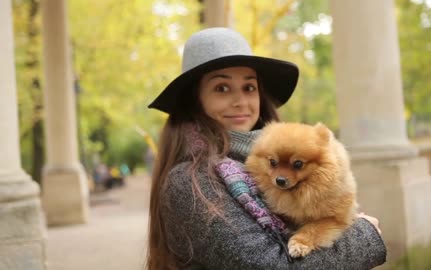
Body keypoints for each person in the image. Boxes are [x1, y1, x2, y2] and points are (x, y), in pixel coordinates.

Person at [147, 27, 386, 270]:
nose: (240, 101)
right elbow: (269, 266)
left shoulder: (268, 164)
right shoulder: (188, 182)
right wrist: (364, 236)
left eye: (249, 88)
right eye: (222, 88)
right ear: (194, 101)